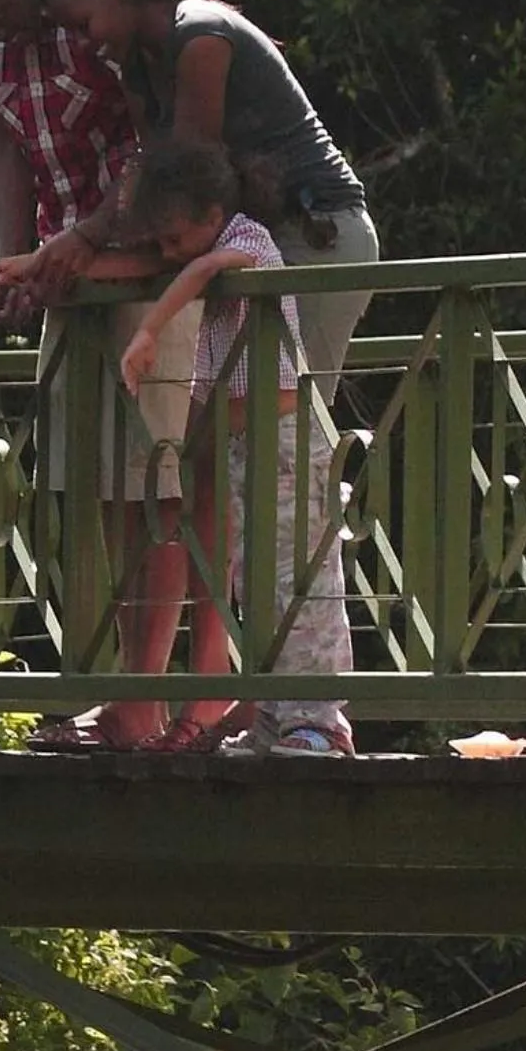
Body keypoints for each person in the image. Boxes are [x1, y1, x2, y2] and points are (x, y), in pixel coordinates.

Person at [0, 0, 202, 750]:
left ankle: (148, 700)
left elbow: (153, 138)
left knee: (154, 483)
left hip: (145, 262)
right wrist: (13, 261)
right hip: (65, 267)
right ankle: (125, 699)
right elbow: (0, 148)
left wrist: (89, 234)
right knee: (90, 483)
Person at [33, 0, 379, 418]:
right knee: (232, 440)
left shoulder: (200, 37)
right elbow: (151, 177)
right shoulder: (137, 66)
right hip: (248, 245)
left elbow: (188, 186)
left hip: (314, 237)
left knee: (288, 433)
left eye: (82, 24)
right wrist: (77, 244)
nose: (84, 44)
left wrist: (90, 244)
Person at [114, 137, 355, 755]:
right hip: (246, 447)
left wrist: (149, 329)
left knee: (300, 578)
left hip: (289, 445)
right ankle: (275, 716)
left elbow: (201, 270)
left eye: (172, 238)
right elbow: (212, 374)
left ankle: (320, 720)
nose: (168, 254)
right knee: (252, 582)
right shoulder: (215, 267)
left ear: (211, 217)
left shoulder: (248, 243)